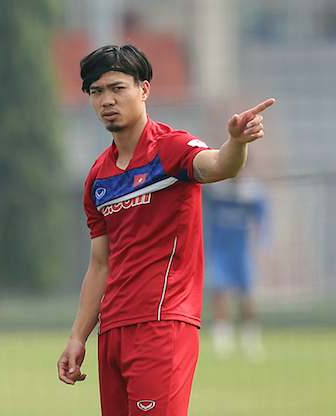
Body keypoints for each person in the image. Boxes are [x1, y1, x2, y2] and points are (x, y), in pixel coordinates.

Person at [56, 44, 275, 416]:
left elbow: (220, 166)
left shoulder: (171, 148)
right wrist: (78, 336)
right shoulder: (98, 177)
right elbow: (99, 265)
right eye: (96, 91)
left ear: (144, 89)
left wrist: (236, 143)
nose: (107, 99)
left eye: (117, 88)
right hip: (112, 331)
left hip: (162, 324)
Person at [204, 174, 269, 362]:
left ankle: (251, 341)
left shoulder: (252, 192)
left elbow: (263, 219)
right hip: (219, 252)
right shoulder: (215, 189)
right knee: (219, 293)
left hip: (241, 253)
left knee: (247, 295)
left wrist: (263, 246)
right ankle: (222, 344)